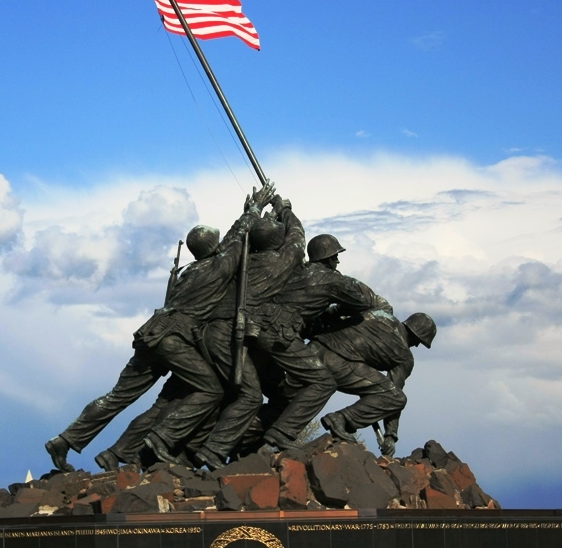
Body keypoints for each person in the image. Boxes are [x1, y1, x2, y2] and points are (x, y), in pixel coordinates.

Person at [44, 183, 275, 471]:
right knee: (211, 390)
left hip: (150, 333)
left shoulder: (190, 272)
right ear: (213, 247)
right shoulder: (217, 268)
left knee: (118, 396)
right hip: (173, 338)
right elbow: (237, 241)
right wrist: (254, 210)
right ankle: (161, 439)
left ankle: (66, 439)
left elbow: (230, 241)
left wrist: (247, 213)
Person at [144, 194, 304, 467]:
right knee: (250, 396)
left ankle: (190, 450)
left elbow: (233, 241)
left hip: (207, 334)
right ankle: (206, 449)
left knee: (227, 393)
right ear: (277, 242)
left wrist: (253, 213)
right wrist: (285, 210)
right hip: (227, 334)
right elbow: (298, 240)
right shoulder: (279, 262)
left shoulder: (235, 260)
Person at [242, 233, 378, 453]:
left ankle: (243, 441)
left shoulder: (295, 271)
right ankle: (281, 434)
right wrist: (341, 288)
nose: (337, 261)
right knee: (323, 383)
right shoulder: (331, 279)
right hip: (280, 334)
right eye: (335, 257)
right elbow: (363, 301)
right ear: (327, 258)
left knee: (280, 393)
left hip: (257, 329)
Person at [314, 307, 436, 456]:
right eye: (419, 341)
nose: (416, 345)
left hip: (313, 349)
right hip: (336, 363)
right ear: (415, 335)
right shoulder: (404, 356)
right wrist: (390, 436)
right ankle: (340, 419)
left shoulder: (381, 315)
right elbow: (392, 396)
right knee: (396, 398)